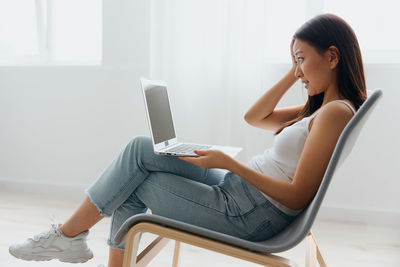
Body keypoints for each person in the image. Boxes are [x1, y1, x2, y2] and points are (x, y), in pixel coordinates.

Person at [9, 13, 366, 267]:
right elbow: (254, 118)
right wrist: (295, 69)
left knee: (134, 182)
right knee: (139, 148)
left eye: (303, 60)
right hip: (239, 190)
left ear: (332, 56)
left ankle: (67, 237)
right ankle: (69, 237)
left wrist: (228, 163)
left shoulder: (334, 113)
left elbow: (298, 194)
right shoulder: (320, 109)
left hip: (247, 213)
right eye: (295, 62)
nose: (299, 70)